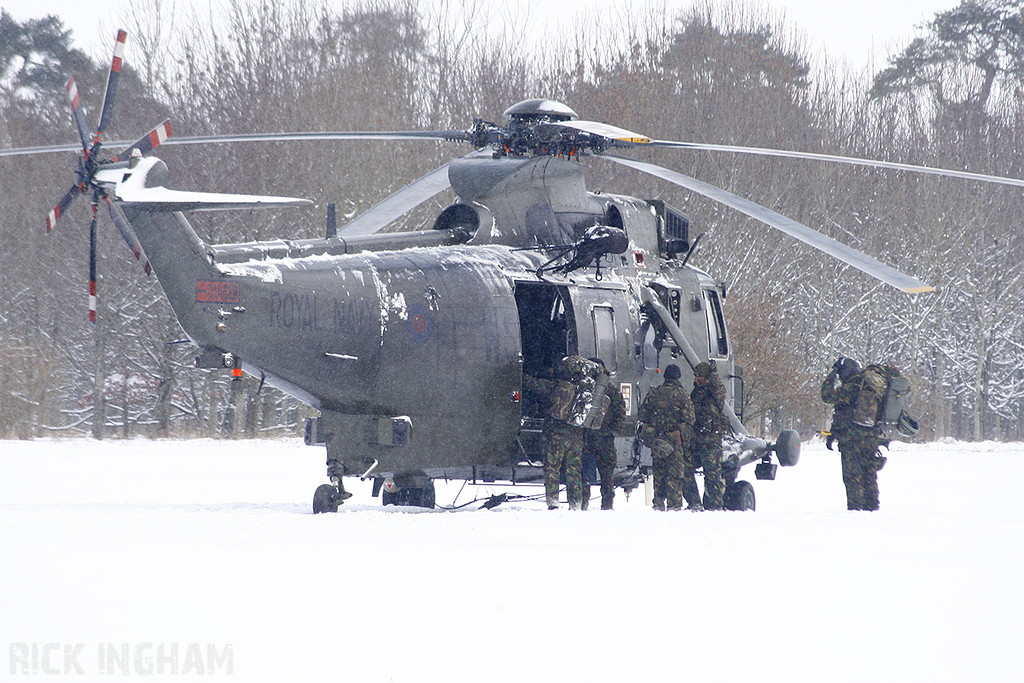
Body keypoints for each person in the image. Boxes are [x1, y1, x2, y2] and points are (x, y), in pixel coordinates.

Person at [523, 355, 592, 510]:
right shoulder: (584, 389)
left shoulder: (556, 386)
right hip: (576, 435)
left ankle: (553, 501)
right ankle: (576, 503)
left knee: (552, 468)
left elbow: (534, 384)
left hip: (557, 434)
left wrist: (521, 374)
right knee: (574, 470)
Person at [821, 357, 886, 511]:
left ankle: (855, 510)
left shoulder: (851, 388)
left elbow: (827, 395)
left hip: (852, 441)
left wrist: (831, 377)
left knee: (852, 477)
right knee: (869, 474)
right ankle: (872, 507)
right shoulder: (870, 388)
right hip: (870, 440)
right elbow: (844, 413)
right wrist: (833, 433)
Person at [637, 364, 695, 511]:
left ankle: (658, 503)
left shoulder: (654, 393)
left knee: (659, 473)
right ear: (678, 377)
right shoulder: (682, 394)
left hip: (658, 440)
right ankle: (674, 505)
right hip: (675, 441)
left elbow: (643, 415)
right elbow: (690, 418)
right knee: (675, 474)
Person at [582, 358, 627, 510]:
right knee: (607, 475)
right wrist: (612, 431)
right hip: (605, 439)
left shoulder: (584, 387)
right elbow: (620, 414)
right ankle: (607, 505)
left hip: (587, 438)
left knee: (584, 474)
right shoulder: (611, 390)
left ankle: (583, 504)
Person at [689, 361, 727, 511]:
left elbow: (718, 388)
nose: (696, 379)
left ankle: (715, 507)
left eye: (699, 377)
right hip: (696, 441)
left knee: (712, 477)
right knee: (685, 471)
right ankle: (695, 503)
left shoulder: (716, 394)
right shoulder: (696, 393)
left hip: (711, 443)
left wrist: (714, 374)